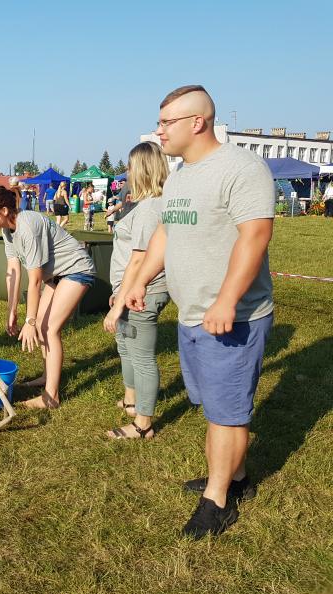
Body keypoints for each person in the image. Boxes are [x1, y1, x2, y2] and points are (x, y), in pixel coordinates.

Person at [126, 85, 275, 539]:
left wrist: (227, 300)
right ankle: (238, 478)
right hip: (191, 313)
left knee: (226, 415)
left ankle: (216, 502)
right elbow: (166, 235)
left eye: (167, 122)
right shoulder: (181, 175)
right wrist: (138, 281)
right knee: (215, 405)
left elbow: (255, 236)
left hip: (233, 316)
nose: (159, 130)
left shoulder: (242, 168)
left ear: (198, 122)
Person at [0, 185, 96, 409]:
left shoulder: (28, 226)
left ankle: (51, 397)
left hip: (76, 270)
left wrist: (29, 321)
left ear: (3, 211)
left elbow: (34, 280)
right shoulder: (6, 230)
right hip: (56, 276)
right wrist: (11, 311)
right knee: (44, 327)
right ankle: (46, 378)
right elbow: (13, 271)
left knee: (48, 329)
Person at [102, 142, 171, 440]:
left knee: (141, 356)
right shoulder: (147, 205)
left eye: (130, 167)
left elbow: (139, 260)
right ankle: (132, 400)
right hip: (129, 290)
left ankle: (143, 424)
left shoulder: (150, 209)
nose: (127, 173)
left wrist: (117, 307)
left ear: (141, 169)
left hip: (144, 292)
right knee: (126, 344)